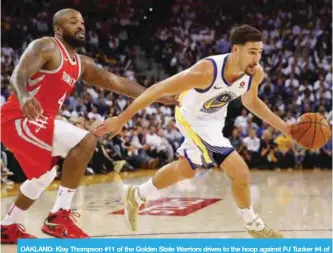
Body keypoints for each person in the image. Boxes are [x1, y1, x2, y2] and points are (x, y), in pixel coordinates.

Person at [95, 25, 293, 238]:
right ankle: (253, 224)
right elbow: (157, 89)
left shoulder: (255, 73)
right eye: (252, 52)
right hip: (192, 117)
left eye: (260, 52)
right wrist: (121, 119)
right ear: (236, 50)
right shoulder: (206, 71)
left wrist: (286, 128)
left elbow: (251, 101)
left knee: (186, 169)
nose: (257, 58)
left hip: (215, 119)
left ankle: (138, 195)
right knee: (240, 171)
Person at [0, 8, 174, 243]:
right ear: (58, 29)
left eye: (82, 22)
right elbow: (18, 75)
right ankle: (58, 217)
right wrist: (24, 97)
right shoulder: (46, 46)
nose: (80, 26)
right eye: (73, 22)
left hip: (41, 121)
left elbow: (116, 82)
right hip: (18, 117)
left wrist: (157, 94)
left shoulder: (81, 63)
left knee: (45, 175)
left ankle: (7, 226)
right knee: (86, 140)